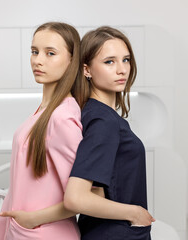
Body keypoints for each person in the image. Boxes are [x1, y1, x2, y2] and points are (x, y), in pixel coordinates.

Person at [0, 21, 83, 240]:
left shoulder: (62, 118)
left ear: (72, 60)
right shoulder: (45, 110)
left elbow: (84, 197)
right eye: (34, 51)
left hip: (44, 233)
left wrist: (32, 219)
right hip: (26, 230)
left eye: (50, 53)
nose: (38, 60)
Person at [64, 26, 155, 239]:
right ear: (86, 70)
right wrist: (134, 212)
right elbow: (75, 197)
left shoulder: (92, 112)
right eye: (109, 62)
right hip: (116, 232)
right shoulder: (103, 121)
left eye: (126, 60)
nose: (122, 69)